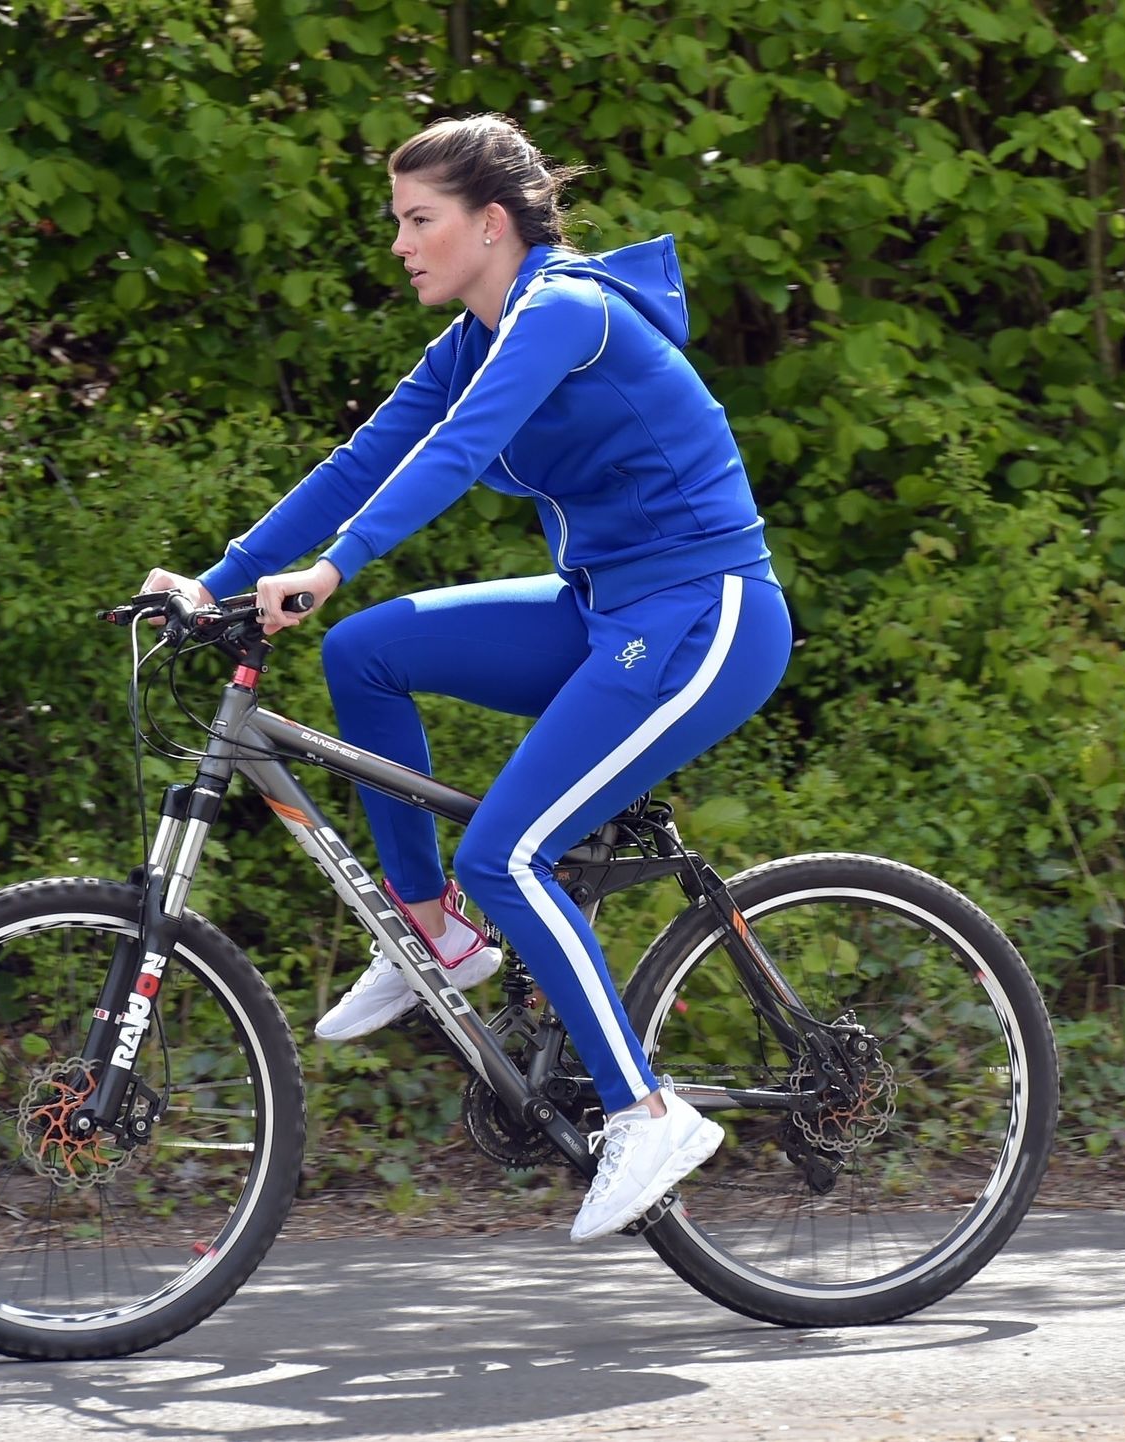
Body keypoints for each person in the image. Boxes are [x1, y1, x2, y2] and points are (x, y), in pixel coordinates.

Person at [144, 113, 793, 1243]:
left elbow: (451, 455)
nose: (400, 244)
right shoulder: (472, 338)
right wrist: (213, 582)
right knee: (366, 651)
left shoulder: (563, 312)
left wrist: (336, 565)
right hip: (605, 610)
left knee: (509, 851)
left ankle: (646, 1109)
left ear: (491, 225)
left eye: (418, 220)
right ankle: (433, 927)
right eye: (397, 221)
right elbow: (363, 458)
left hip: (705, 616)